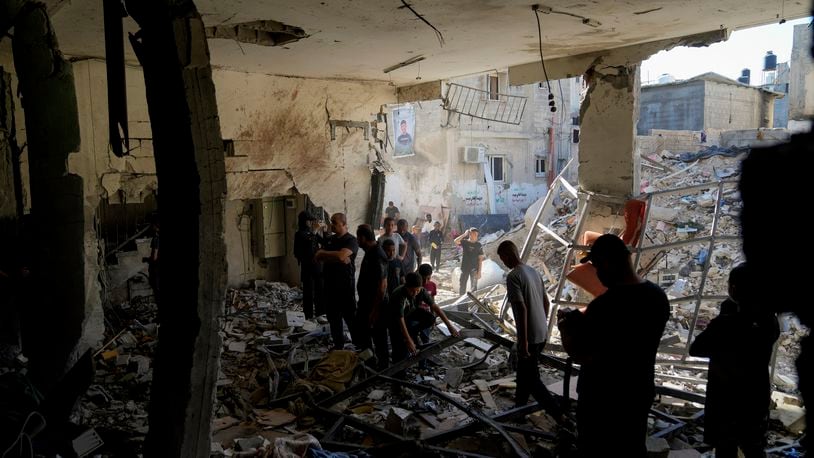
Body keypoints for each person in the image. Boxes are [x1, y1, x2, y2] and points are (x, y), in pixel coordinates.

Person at [557, 234, 669, 457]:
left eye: (597, 266)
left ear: (608, 263)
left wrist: (565, 329)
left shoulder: (606, 306)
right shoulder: (657, 296)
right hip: (637, 391)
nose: (597, 272)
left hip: (603, 400)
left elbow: (581, 354)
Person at [689, 264, 779, 458]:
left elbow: (696, 349)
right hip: (755, 394)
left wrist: (723, 318)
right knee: (754, 446)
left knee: (725, 448)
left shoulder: (725, 324)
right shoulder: (769, 320)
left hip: (725, 397)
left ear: (734, 289)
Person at [497, 241, 563, 420]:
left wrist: (523, 342)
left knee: (532, 380)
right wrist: (541, 323)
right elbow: (546, 304)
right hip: (541, 334)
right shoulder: (533, 272)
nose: (503, 262)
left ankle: (559, 416)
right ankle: (519, 408)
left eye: (502, 258)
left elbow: (520, 310)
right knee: (524, 373)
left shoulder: (513, 277)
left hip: (530, 338)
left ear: (508, 255)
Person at [389, 273, 459, 361]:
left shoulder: (421, 291)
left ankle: (411, 333)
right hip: (395, 320)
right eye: (412, 291)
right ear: (406, 287)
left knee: (430, 318)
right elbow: (400, 319)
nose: (415, 294)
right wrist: (408, 340)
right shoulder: (399, 296)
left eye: (417, 290)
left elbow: (435, 307)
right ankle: (398, 367)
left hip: (410, 312)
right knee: (400, 349)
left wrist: (450, 326)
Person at [315, 213, 359, 350]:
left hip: (345, 287)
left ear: (344, 224)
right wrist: (336, 256)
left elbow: (341, 256)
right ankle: (338, 346)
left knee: (350, 318)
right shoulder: (330, 239)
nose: (331, 225)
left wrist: (329, 255)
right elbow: (318, 257)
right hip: (330, 285)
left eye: (334, 222)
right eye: (331, 222)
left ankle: (358, 346)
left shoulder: (351, 240)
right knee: (334, 319)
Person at [355, 225, 388, 362]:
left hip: (375, 305)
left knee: (379, 336)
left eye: (358, 238)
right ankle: (369, 363)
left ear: (362, 238)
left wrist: (375, 311)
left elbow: (382, 286)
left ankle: (383, 368)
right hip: (366, 303)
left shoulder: (377, 254)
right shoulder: (370, 251)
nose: (357, 241)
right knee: (364, 334)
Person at [293, 211, 324, 320]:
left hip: (317, 266)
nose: (311, 223)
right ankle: (308, 315)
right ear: (303, 221)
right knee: (308, 292)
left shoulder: (312, 233)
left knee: (320, 290)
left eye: (311, 221)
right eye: (309, 221)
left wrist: (323, 231)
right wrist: (314, 232)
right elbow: (308, 247)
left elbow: (324, 241)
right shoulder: (300, 234)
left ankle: (320, 314)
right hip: (307, 267)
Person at [454, 227, 484, 295]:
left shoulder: (478, 245)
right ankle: (462, 305)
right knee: (462, 286)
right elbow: (456, 241)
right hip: (464, 268)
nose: (475, 236)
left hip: (474, 269)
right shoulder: (465, 242)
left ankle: (473, 303)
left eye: (476, 234)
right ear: (469, 234)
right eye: (473, 234)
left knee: (474, 288)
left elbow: (480, 259)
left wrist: (479, 272)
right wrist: (464, 234)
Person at [417, 263, 437, 344]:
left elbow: (433, 302)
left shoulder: (432, 285)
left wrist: (433, 317)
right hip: (415, 314)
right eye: (423, 278)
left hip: (427, 315)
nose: (425, 281)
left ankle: (424, 353)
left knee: (425, 337)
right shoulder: (415, 285)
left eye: (428, 278)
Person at [142, 214, 160, 302]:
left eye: (152, 225)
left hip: (156, 268)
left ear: (155, 226)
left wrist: (146, 259)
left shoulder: (156, 239)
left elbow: (154, 257)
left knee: (157, 290)